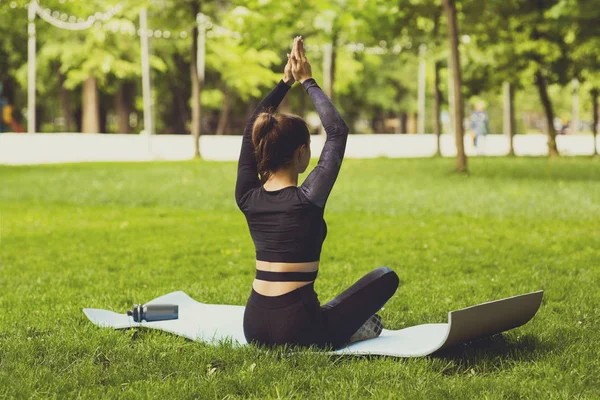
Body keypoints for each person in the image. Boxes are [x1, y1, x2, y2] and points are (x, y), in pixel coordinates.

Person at [236, 36, 399, 350]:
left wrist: (285, 82)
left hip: (253, 325)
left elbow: (249, 132)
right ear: (301, 153)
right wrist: (306, 80)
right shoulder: (306, 200)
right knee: (385, 276)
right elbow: (337, 131)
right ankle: (344, 332)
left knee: (327, 310)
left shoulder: (247, 197)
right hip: (298, 328)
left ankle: (339, 327)